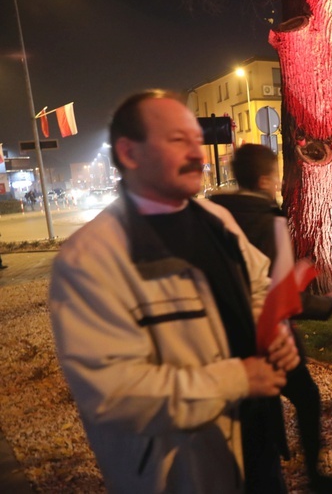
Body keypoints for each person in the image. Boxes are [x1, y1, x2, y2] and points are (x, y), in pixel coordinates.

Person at [48, 90, 300, 494]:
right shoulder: (88, 261)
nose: (198, 154)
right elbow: (116, 393)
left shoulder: (217, 220)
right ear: (129, 153)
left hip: (256, 449)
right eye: (177, 140)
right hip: (181, 474)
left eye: (196, 139)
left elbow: (258, 285)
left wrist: (274, 332)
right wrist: (236, 379)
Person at [210, 144, 332, 493]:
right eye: (274, 177)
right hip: (271, 335)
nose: (277, 185)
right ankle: (315, 476)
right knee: (305, 397)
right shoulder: (269, 220)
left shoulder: (211, 215)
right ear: (264, 179)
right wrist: (326, 305)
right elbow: (280, 294)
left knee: (251, 415)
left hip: (224, 336)